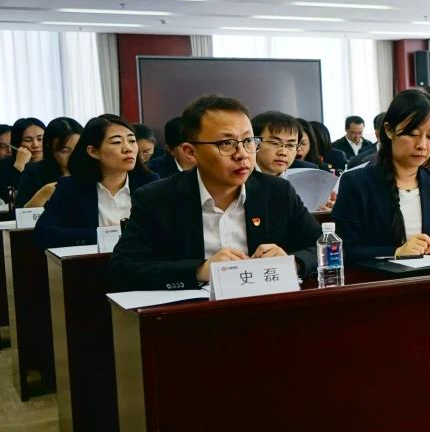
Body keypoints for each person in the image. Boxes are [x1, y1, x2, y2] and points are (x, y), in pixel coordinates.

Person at [108, 94, 322, 291]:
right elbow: (123, 268)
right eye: (226, 143)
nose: (242, 154)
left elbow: (322, 244)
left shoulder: (277, 192)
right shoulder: (157, 198)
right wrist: (200, 270)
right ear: (191, 152)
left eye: (248, 141)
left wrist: (293, 262)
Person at [332, 89, 430, 262]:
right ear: (389, 130)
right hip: (379, 278)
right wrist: (396, 252)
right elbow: (344, 249)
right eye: (413, 134)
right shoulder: (357, 183)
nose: (422, 145)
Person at [34, 115, 157, 249]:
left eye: (132, 141)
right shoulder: (71, 187)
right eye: (116, 142)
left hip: (142, 258)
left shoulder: (150, 183)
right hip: (94, 260)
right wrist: (102, 236)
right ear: (93, 151)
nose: (128, 148)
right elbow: (44, 233)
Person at [16, 117, 82, 208]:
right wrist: (45, 192)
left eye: (78, 148)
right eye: (65, 150)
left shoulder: (92, 170)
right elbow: (21, 213)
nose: (74, 155)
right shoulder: (34, 172)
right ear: (50, 150)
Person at [0, 117, 45, 201]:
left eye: (40, 139)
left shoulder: (54, 162)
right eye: (28, 140)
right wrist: (19, 166)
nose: (36, 145)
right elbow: (9, 199)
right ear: (17, 142)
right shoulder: (4, 166)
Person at [252, 111, 302, 177]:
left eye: (290, 145)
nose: (283, 152)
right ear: (255, 143)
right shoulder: (241, 177)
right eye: (275, 143)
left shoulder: (303, 176)